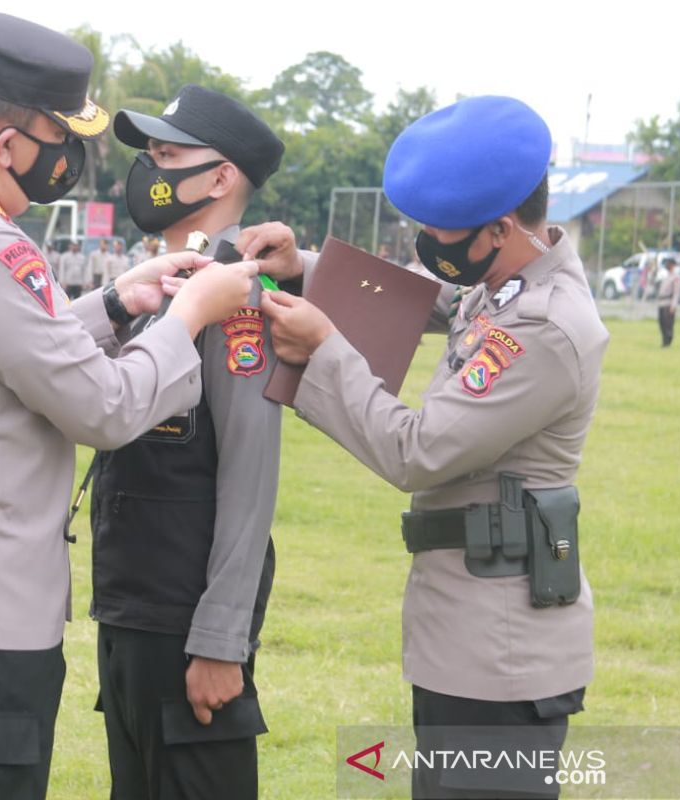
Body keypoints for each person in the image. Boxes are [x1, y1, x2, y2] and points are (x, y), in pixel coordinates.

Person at [0, 12, 258, 800]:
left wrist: (117, 303)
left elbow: (3, 341)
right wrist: (191, 313)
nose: (70, 158)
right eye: (60, 138)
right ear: (6, 144)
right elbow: (104, 408)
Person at [249, 95, 609, 799]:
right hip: (469, 635)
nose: (427, 244)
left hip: (501, 655)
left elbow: (417, 451)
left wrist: (323, 354)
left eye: (439, 232)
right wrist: (302, 270)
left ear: (501, 226)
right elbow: (412, 300)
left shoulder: (542, 326)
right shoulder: (504, 281)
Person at [89, 83, 285, 800]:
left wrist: (221, 639)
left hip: (185, 619)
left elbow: (249, 475)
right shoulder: (167, 286)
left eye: (168, 156)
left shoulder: (235, 299)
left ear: (222, 177)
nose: (151, 171)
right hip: (131, 606)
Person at [657, 256, 680, 347]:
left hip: (669, 303)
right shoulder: (666, 276)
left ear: (673, 265)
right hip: (662, 302)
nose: (667, 265)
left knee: (668, 324)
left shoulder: (676, 277)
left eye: (669, 264)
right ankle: (664, 340)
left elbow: (676, 293)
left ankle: (668, 341)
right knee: (662, 323)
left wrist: (673, 306)